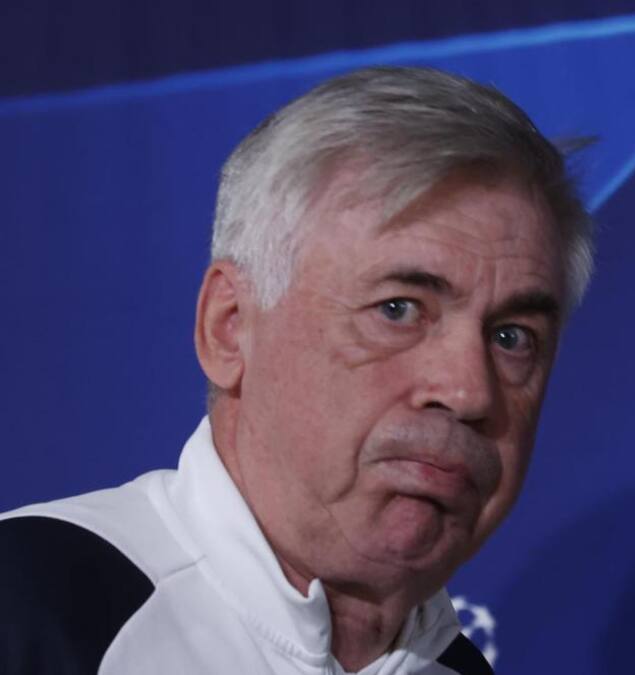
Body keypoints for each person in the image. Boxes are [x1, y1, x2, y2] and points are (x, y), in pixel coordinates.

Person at [0, 66, 593, 675]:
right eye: (398, 309)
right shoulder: (30, 609)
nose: (468, 390)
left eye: (512, 337)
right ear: (229, 327)